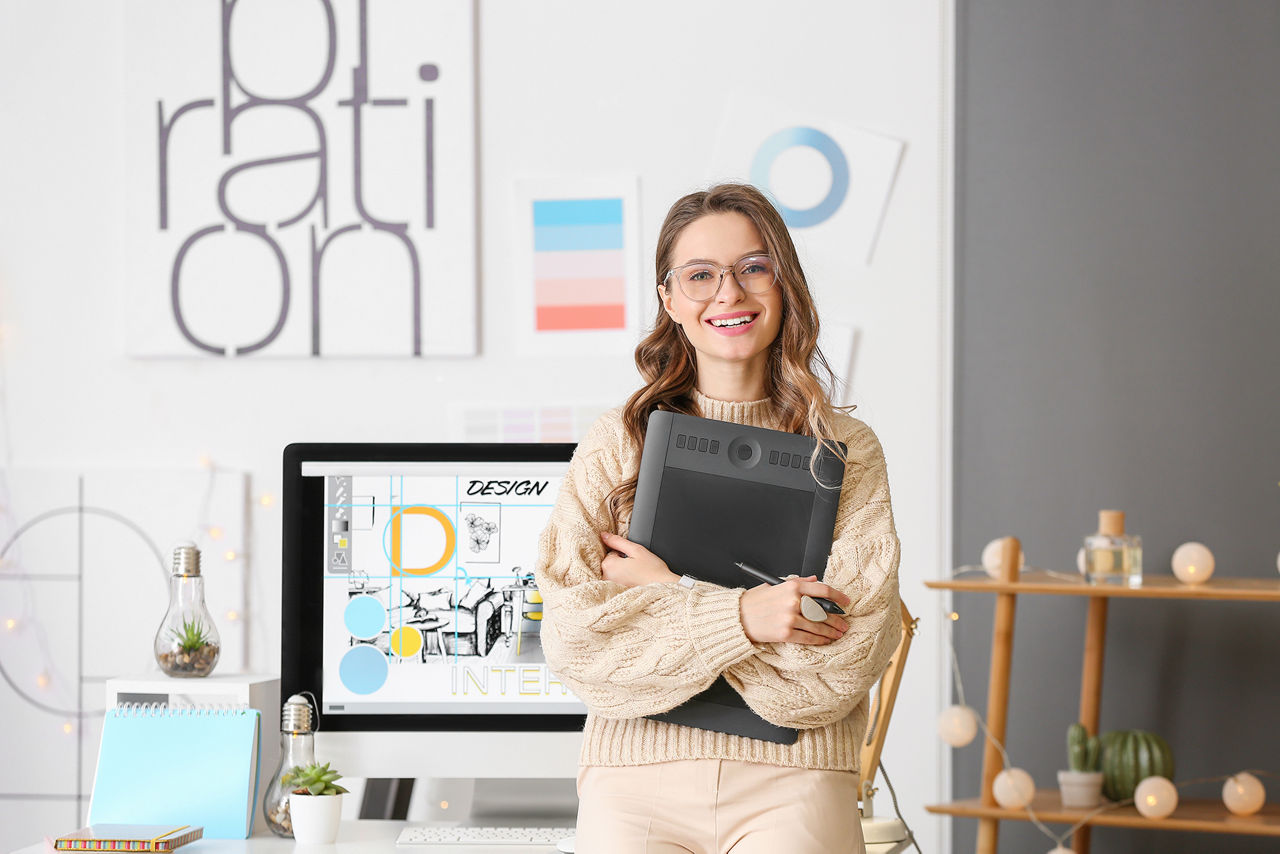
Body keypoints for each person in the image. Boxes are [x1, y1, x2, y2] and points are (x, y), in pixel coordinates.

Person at [535, 183, 901, 854]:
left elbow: (837, 673)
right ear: (669, 299)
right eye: (700, 276)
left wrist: (671, 596)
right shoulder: (618, 441)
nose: (727, 293)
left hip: (795, 780)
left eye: (753, 268)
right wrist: (754, 618)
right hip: (634, 775)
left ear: (782, 283)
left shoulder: (847, 452)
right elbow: (575, 643)